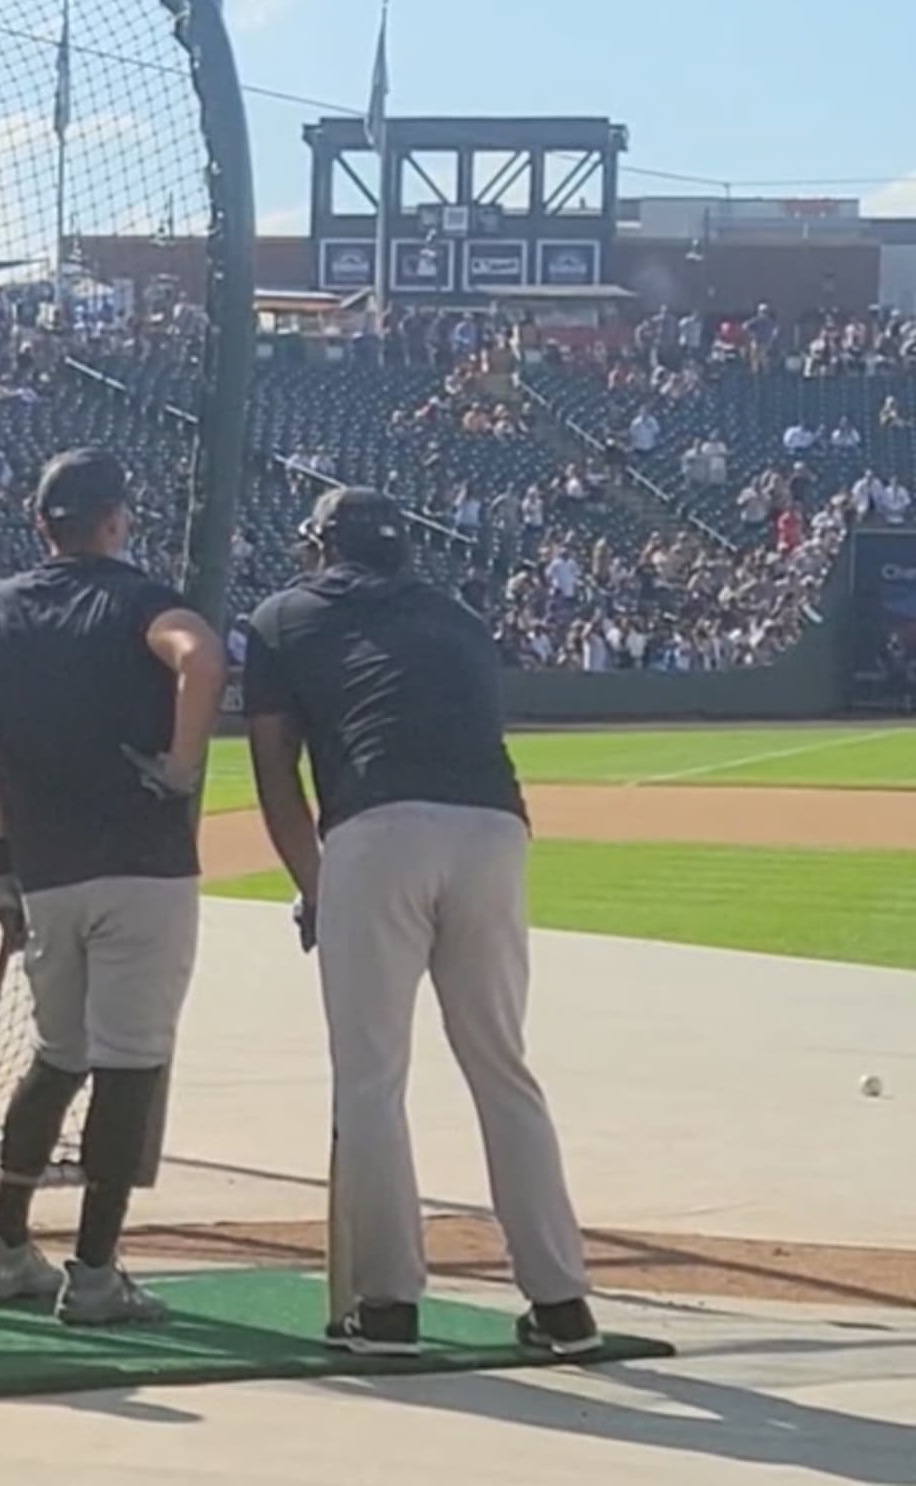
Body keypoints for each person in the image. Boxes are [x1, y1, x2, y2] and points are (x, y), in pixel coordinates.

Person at [241, 485, 597, 1359]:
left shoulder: (283, 617)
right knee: (502, 1068)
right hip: (495, 830)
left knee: (370, 1079)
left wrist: (315, 887)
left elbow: (276, 778)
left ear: (322, 546)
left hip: (377, 827)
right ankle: (563, 1307)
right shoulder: (458, 616)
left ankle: (389, 1306)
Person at [0, 449, 225, 1325]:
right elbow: (202, 658)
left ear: (43, 524)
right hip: (139, 865)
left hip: (44, 869)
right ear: (114, 519)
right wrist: (181, 769)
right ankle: (97, 1269)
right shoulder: (137, 597)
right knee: (131, 1061)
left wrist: (0, 869)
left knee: (58, 1054)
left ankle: (5, 1249)